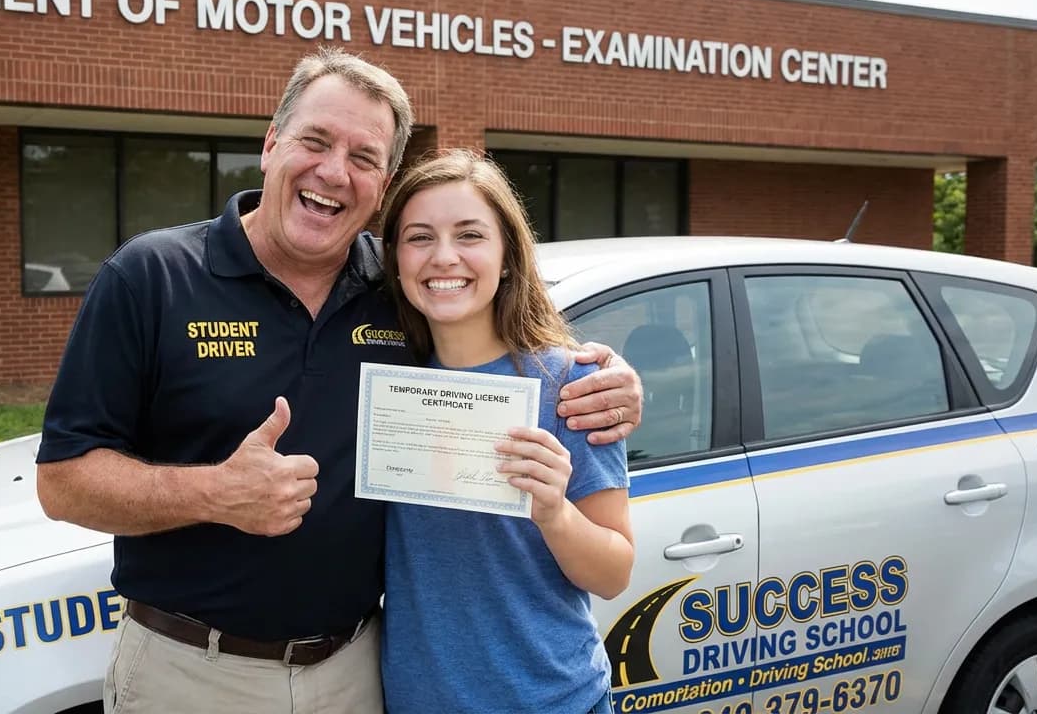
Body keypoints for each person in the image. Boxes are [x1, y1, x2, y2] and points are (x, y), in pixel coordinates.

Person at [34, 48, 642, 714]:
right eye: (315, 141)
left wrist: (609, 374)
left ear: (381, 186)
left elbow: (498, 322)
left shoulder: (396, 292)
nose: (333, 172)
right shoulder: (152, 277)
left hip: (357, 676)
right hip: (192, 674)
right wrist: (216, 493)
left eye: (363, 157)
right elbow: (63, 480)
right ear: (271, 146)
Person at [377, 149, 634, 714]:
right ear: (394, 259)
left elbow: (614, 573)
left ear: (507, 255)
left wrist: (554, 513)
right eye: (419, 237)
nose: (444, 258)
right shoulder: (383, 386)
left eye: (470, 235)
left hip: (549, 699)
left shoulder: (575, 384)